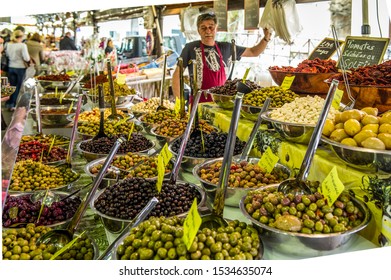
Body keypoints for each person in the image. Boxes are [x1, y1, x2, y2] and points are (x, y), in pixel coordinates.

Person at [172, 12, 272, 103]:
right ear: (198, 30)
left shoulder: (227, 47)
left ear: (216, 28)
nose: (208, 31)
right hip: (197, 104)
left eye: (211, 27)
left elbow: (253, 52)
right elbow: (177, 75)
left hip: (223, 104)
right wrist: (179, 102)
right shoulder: (190, 48)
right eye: (203, 28)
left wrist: (266, 38)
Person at [4, 29, 30, 110]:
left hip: (11, 67)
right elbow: (27, 58)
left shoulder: (8, 44)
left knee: (11, 86)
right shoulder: (22, 45)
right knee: (18, 87)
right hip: (20, 68)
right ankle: (13, 104)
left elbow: (7, 55)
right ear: (21, 36)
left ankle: (8, 103)